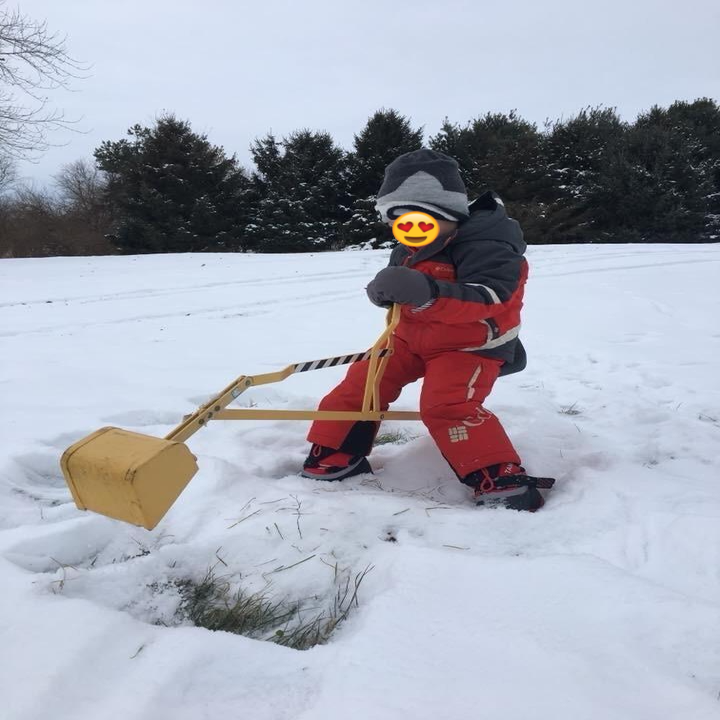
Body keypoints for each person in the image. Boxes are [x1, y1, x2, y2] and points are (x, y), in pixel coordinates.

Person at [300, 148, 553, 511]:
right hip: (409, 339)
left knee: (446, 403)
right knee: (362, 382)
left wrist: (430, 293)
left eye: (424, 218)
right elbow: (402, 292)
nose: (412, 229)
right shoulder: (408, 247)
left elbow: (493, 297)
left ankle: (498, 474)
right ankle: (338, 451)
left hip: (470, 345)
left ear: (449, 213)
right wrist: (384, 293)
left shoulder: (490, 244)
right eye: (399, 219)